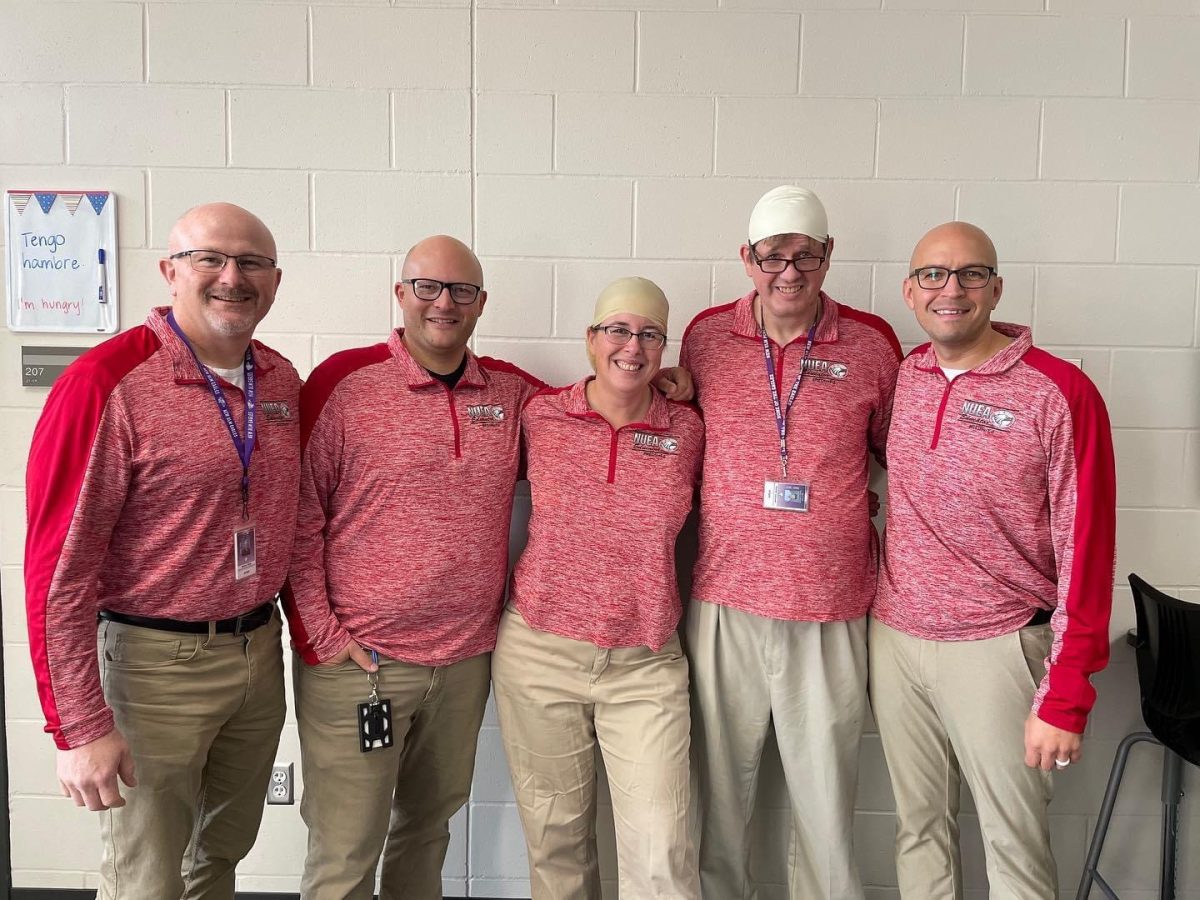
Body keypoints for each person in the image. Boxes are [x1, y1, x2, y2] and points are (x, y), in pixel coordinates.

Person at [284, 239, 693, 899]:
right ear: (400, 293)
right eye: (427, 287)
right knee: (344, 847)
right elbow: (298, 518)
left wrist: (668, 380)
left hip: (466, 660)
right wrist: (321, 636)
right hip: (361, 663)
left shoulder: (512, 395)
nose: (444, 303)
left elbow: (604, 402)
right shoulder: (343, 382)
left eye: (462, 291)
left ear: (481, 305)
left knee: (426, 830)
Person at [24, 202, 299, 898]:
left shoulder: (280, 381)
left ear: (274, 281)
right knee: (148, 875)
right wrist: (78, 727)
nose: (231, 276)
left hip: (256, 654)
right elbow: (60, 573)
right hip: (153, 671)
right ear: (170, 271)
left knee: (219, 857)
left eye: (252, 262)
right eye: (210, 258)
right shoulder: (106, 384)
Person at [869, 221, 1116, 899]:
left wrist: (1067, 692)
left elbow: (1087, 549)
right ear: (910, 291)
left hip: (1000, 646)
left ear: (996, 288)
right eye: (933, 275)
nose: (952, 289)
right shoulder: (906, 377)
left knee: (1013, 841)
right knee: (918, 829)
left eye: (971, 274)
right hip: (896, 640)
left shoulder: (1058, 392)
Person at [680, 185, 902, 899]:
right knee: (718, 800)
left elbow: (897, 455)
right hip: (725, 600)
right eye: (773, 255)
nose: (789, 272)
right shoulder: (705, 336)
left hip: (832, 604)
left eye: (805, 255)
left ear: (828, 256)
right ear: (747, 259)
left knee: (828, 803)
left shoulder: (872, 343)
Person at [492, 276, 704, 899]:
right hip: (540, 654)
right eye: (617, 329)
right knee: (556, 843)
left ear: (664, 348)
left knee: (663, 846)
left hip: (645, 665)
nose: (631, 347)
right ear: (590, 339)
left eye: (649, 334)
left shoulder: (688, 430)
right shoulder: (542, 415)